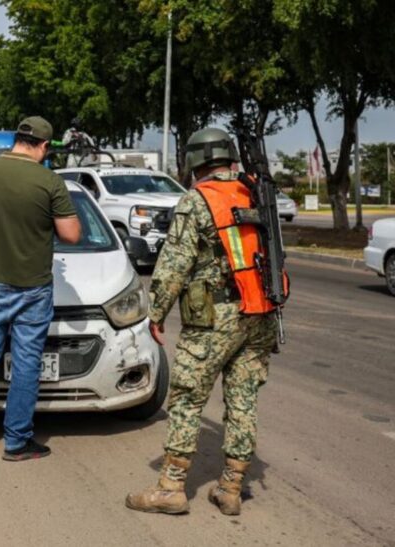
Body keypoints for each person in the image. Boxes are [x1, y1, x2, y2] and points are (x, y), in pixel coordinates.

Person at [125, 127, 282, 516]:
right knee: (243, 399)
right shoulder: (255, 192)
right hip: (261, 312)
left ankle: (171, 488)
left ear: (194, 161)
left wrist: (156, 313)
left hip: (214, 318)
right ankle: (231, 487)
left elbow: (174, 264)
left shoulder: (198, 200)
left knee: (186, 398)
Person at [0, 116, 82, 461]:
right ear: (44, 145)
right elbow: (71, 235)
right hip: (32, 287)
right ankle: (16, 441)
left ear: (16, 139)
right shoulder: (49, 181)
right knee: (26, 362)